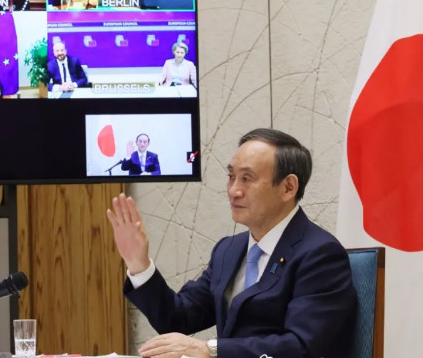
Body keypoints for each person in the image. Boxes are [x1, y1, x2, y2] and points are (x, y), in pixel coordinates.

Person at [106, 128, 357, 358]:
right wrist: (139, 264)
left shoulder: (319, 254)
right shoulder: (229, 249)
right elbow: (178, 318)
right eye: (231, 176)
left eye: (247, 178)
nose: (233, 190)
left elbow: (302, 347)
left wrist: (210, 349)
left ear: (288, 188)